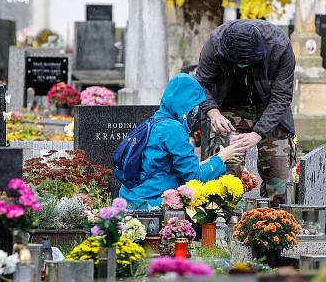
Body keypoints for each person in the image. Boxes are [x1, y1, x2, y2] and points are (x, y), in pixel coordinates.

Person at [195, 19, 295, 206]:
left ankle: (275, 224)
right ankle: (222, 224)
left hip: (270, 108)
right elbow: (201, 84)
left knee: (278, 174)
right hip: (227, 108)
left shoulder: (279, 46)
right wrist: (213, 112)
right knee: (225, 170)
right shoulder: (215, 43)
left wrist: (257, 134)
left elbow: (282, 96)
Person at [120, 73, 247, 210]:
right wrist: (223, 157)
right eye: (195, 105)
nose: (197, 110)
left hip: (130, 199)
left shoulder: (156, 121)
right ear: (186, 104)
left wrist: (216, 158)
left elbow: (174, 167)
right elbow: (195, 176)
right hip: (150, 205)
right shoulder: (173, 130)